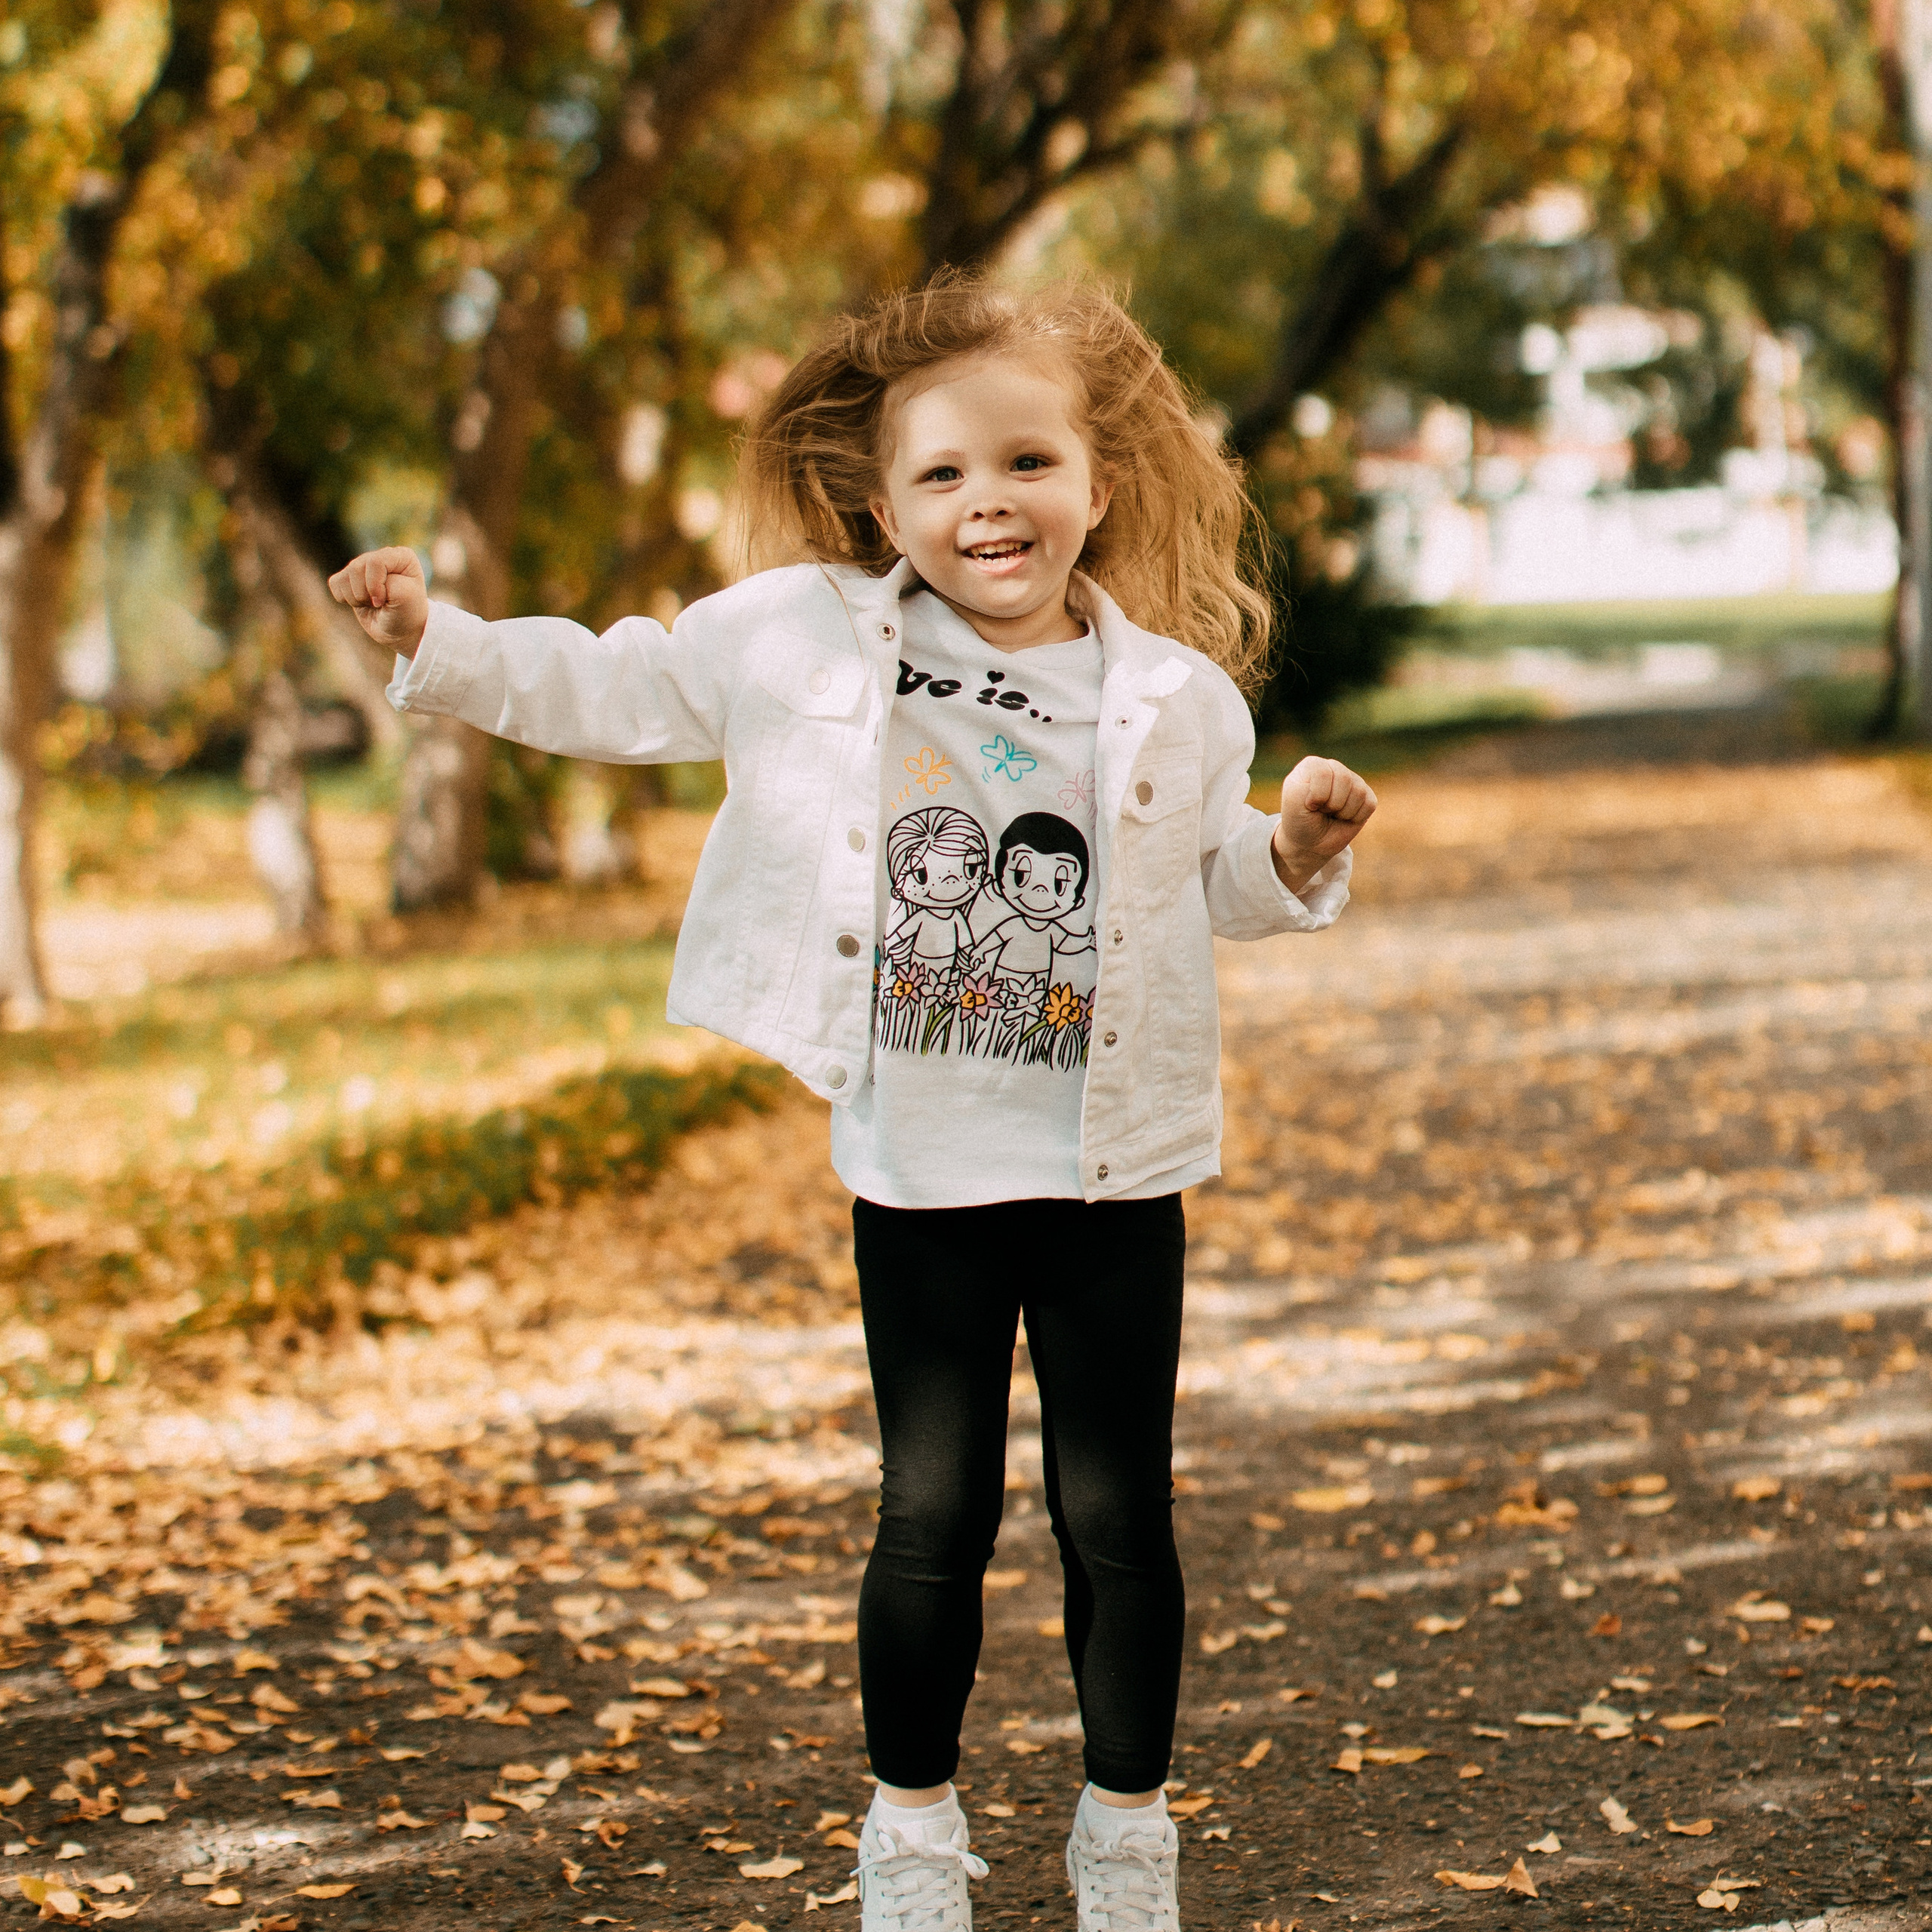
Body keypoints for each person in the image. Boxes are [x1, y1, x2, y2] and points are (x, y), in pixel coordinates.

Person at [330, 275, 1375, 1932]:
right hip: (918, 1169)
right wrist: (439, 643)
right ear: (884, 506)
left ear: (1096, 483)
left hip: (1114, 1172)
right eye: (945, 477)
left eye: (1026, 462)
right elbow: (623, 685)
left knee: (1117, 1518)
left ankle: (1125, 1836)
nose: (989, 504)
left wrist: (1297, 850)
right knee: (930, 1518)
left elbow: (1208, 885)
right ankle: (908, 1831)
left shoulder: (1177, 694)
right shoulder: (804, 635)